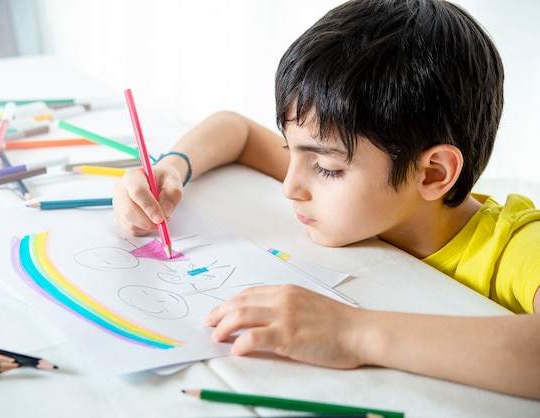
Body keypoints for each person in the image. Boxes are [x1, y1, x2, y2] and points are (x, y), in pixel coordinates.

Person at [113, 0, 540, 400]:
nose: (290, 186)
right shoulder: (365, 190)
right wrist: (171, 169)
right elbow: (235, 130)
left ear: (432, 174)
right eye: (288, 150)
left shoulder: (518, 247)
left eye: (327, 168)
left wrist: (351, 332)